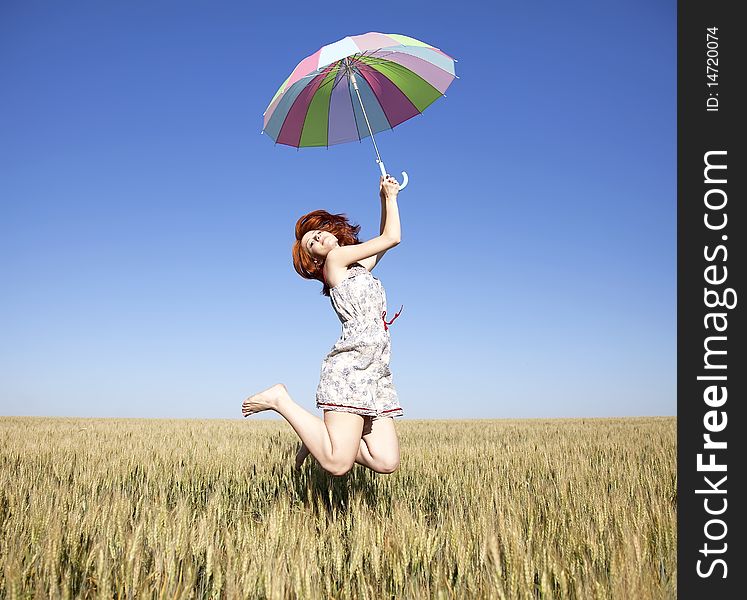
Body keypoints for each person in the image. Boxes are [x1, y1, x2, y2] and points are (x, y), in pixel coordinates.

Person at [242, 174, 404, 476]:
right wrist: (394, 196)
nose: (318, 239)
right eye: (311, 244)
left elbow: (382, 244)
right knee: (336, 464)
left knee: (386, 461)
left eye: (317, 233)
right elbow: (392, 237)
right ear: (314, 259)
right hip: (351, 367)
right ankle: (280, 399)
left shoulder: (354, 267)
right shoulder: (336, 262)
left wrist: (383, 197)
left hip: (377, 369)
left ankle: (320, 435)